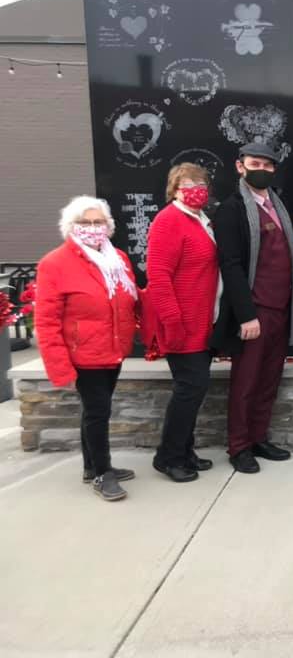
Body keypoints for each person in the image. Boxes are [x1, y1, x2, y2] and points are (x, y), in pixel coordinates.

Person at [34, 196, 139, 501]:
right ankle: (102, 473)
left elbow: (128, 299)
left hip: (113, 349)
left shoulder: (117, 257)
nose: (93, 228)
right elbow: (47, 321)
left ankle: (90, 466)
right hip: (85, 355)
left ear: (108, 226)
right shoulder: (55, 263)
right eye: (85, 222)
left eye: (99, 222)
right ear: (70, 226)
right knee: (98, 412)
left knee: (94, 411)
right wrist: (59, 366)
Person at [211, 143, 293, 474]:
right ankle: (239, 446)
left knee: (268, 381)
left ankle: (259, 437)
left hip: (281, 308)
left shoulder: (279, 205)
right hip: (255, 310)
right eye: (254, 163)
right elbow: (231, 265)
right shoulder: (231, 209)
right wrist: (246, 315)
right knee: (246, 382)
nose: (260, 169)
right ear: (240, 167)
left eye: (266, 164)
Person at [144, 163, 220, 483]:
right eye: (188, 182)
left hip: (202, 323)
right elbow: (158, 275)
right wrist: (172, 321)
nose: (195, 187)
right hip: (182, 324)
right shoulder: (168, 220)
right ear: (174, 188)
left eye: (200, 182)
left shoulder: (201, 220)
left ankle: (185, 451)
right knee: (190, 389)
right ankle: (168, 456)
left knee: (194, 389)